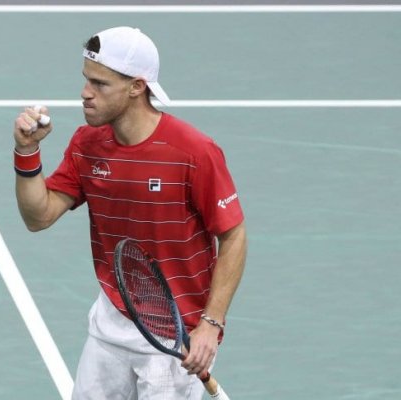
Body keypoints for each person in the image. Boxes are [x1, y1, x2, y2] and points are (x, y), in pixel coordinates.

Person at [13, 26, 247, 400]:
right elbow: (38, 217)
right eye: (86, 80)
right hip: (111, 324)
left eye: (100, 84)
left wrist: (211, 323)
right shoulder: (87, 144)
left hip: (175, 337)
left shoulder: (194, 152)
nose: (85, 93)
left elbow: (233, 236)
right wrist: (26, 152)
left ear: (137, 87)